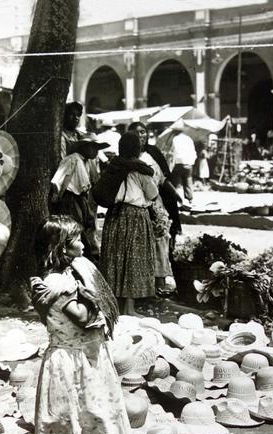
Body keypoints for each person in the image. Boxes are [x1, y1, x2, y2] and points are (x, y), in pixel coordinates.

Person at [30, 215, 129, 434]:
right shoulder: (54, 283)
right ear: (60, 247)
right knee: (60, 422)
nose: (83, 244)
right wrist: (89, 298)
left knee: (72, 419)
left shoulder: (69, 275)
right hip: (65, 360)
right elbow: (84, 319)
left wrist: (84, 292)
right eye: (76, 240)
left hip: (79, 358)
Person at [100, 131, 158, 316]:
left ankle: (114, 306)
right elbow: (152, 194)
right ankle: (130, 309)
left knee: (116, 259)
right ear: (137, 149)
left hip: (115, 216)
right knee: (133, 260)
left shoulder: (113, 166)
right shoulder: (140, 171)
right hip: (135, 217)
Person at [129, 121, 178, 295]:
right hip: (139, 204)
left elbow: (164, 178)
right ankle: (145, 285)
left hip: (156, 202)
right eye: (136, 133)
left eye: (143, 132)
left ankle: (160, 281)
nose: (141, 136)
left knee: (161, 239)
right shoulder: (127, 156)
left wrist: (175, 195)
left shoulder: (153, 153)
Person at [50, 135, 109, 264]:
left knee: (85, 228)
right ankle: (86, 259)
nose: (95, 152)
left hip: (81, 199)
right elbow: (58, 180)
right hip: (70, 200)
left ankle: (88, 258)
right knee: (75, 231)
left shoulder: (85, 162)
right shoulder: (72, 159)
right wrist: (58, 197)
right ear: (84, 147)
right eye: (93, 148)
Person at [168, 123, 196, 205]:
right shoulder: (189, 139)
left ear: (176, 132)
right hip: (189, 163)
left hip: (179, 163)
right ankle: (190, 199)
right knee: (188, 180)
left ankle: (173, 199)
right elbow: (193, 152)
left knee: (174, 182)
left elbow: (174, 152)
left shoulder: (175, 139)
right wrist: (192, 162)